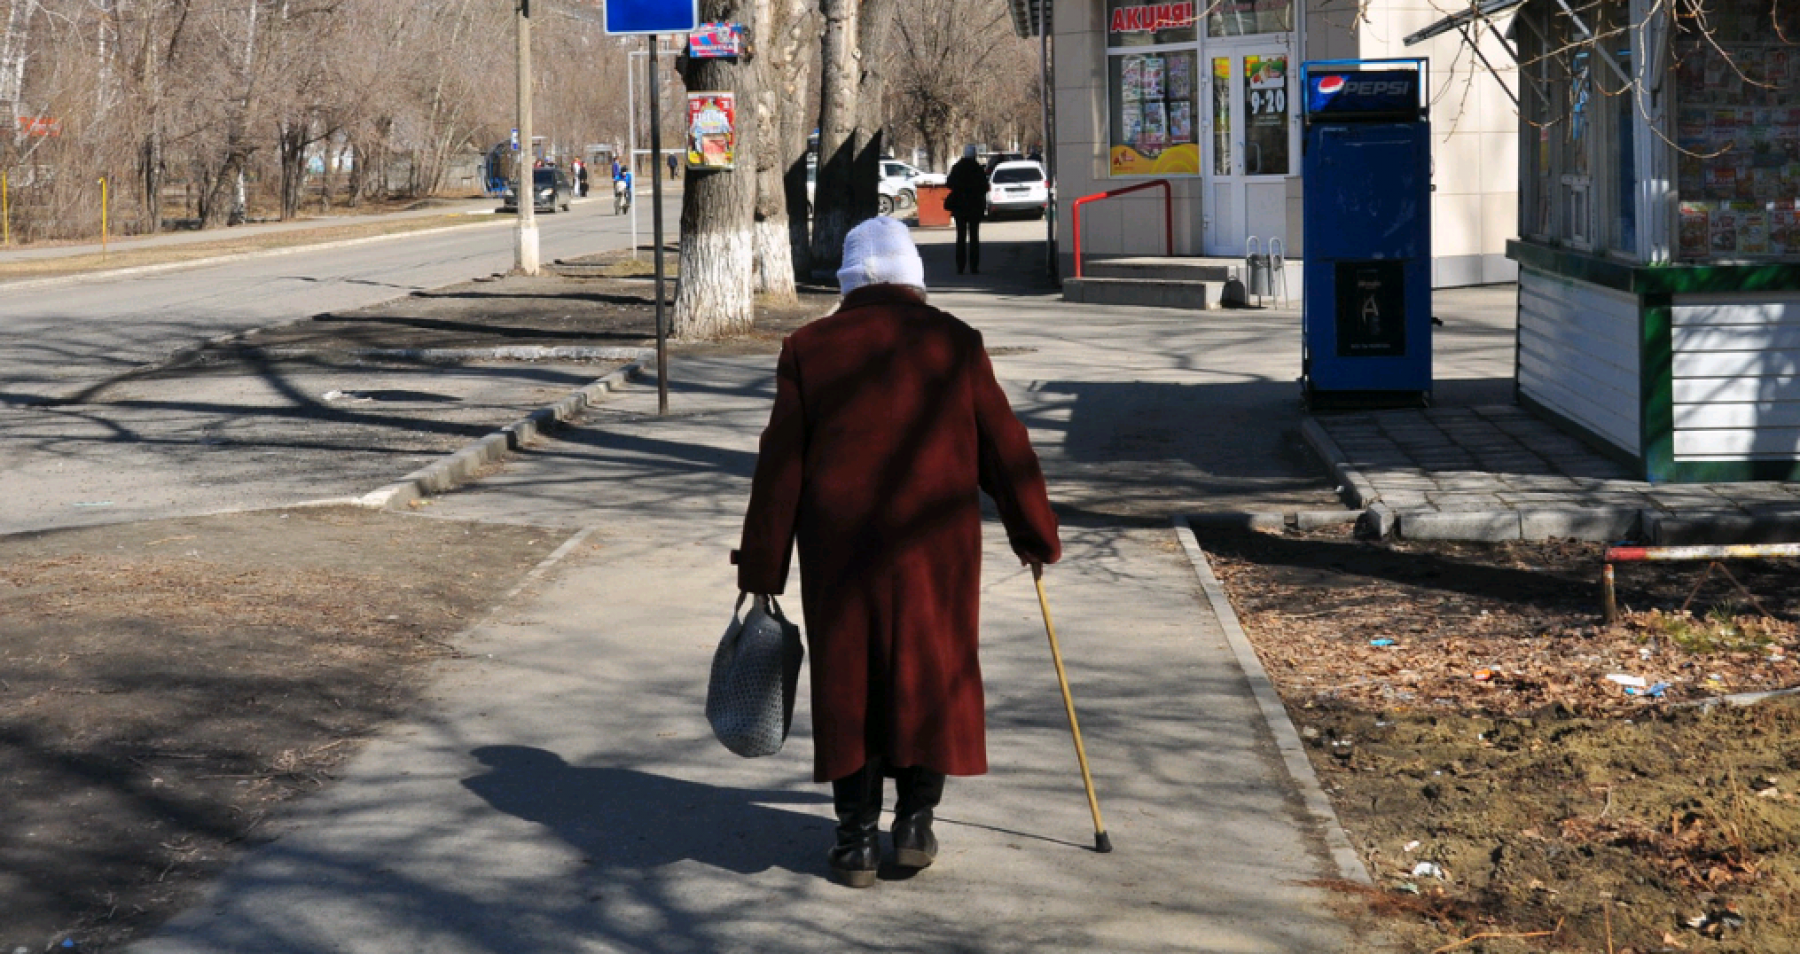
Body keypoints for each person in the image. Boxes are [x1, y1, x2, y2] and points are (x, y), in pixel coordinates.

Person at [733, 216, 1062, 889]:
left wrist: (766, 565)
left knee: (848, 680)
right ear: (913, 273)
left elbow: (780, 466)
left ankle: (854, 842)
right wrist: (1034, 532)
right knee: (929, 668)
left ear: (851, 279)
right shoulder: (955, 341)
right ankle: (914, 824)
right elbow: (1005, 446)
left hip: (840, 549)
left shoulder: (808, 347)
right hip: (935, 547)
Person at [945, 145, 988, 275]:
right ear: (974, 154)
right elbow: (984, 187)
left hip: (960, 207)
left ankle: (960, 267)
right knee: (974, 237)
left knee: (960, 237)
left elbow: (949, 183)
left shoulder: (957, 168)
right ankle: (974, 267)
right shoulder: (977, 169)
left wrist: (960, 189)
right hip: (974, 207)